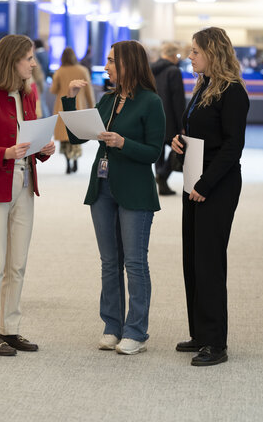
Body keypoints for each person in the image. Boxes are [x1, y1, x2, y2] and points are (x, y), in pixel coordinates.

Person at [62, 40, 165, 355]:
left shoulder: (150, 102)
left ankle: (136, 331)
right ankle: (112, 326)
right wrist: (69, 100)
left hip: (134, 189)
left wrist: (123, 143)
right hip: (102, 187)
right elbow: (78, 134)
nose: (105, 66)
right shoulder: (108, 99)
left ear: (127, 64)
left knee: (134, 262)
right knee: (109, 262)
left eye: (110, 61)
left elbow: (153, 153)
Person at [0, 34, 55, 356]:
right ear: (12, 60)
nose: (34, 63)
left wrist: (44, 149)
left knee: (17, 263)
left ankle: (10, 328)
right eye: (28, 58)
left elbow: (29, 143)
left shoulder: (27, 97)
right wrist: (4, 152)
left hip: (25, 186)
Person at [171, 27, 249, 366]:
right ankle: (200, 332)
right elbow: (197, 133)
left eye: (195, 52)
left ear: (213, 54)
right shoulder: (203, 87)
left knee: (209, 261)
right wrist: (180, 142)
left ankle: (216, 343)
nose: (190, 57)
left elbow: (233, 146)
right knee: (192, 257)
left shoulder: (232, 93)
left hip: (217, 185)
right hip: (195, 181)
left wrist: (205, 184)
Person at [50, 47, 95, 174]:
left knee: (64, 138)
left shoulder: (59, 71)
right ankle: (75, 160)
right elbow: (89, 91)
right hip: (78, 105)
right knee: (76, 134)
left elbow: (53, 90)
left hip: (62, 106)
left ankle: (67, 162)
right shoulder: (83, 70)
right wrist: (92, 106)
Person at [151, 42, 186, 195]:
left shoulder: (150, 70)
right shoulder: (174, 71)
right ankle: (162, 175)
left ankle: (161, 180)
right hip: (170, 118)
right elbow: (178, 100)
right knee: (177, 148)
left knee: (158, 151)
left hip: (153, 117)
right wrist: (182, 123)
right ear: (173, 55)